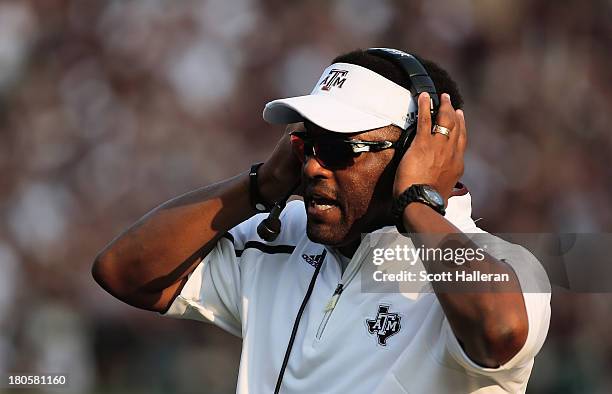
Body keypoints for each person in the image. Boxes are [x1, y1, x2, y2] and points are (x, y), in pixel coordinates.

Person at [92, 48, 551, 393]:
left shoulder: (503, 265)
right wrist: (259, 187)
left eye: (337, 149)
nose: (313, 167)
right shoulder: (281, 234)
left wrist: (416, 200)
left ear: (417, 151)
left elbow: (499, 331)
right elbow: (124, 273)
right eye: (307, 146)